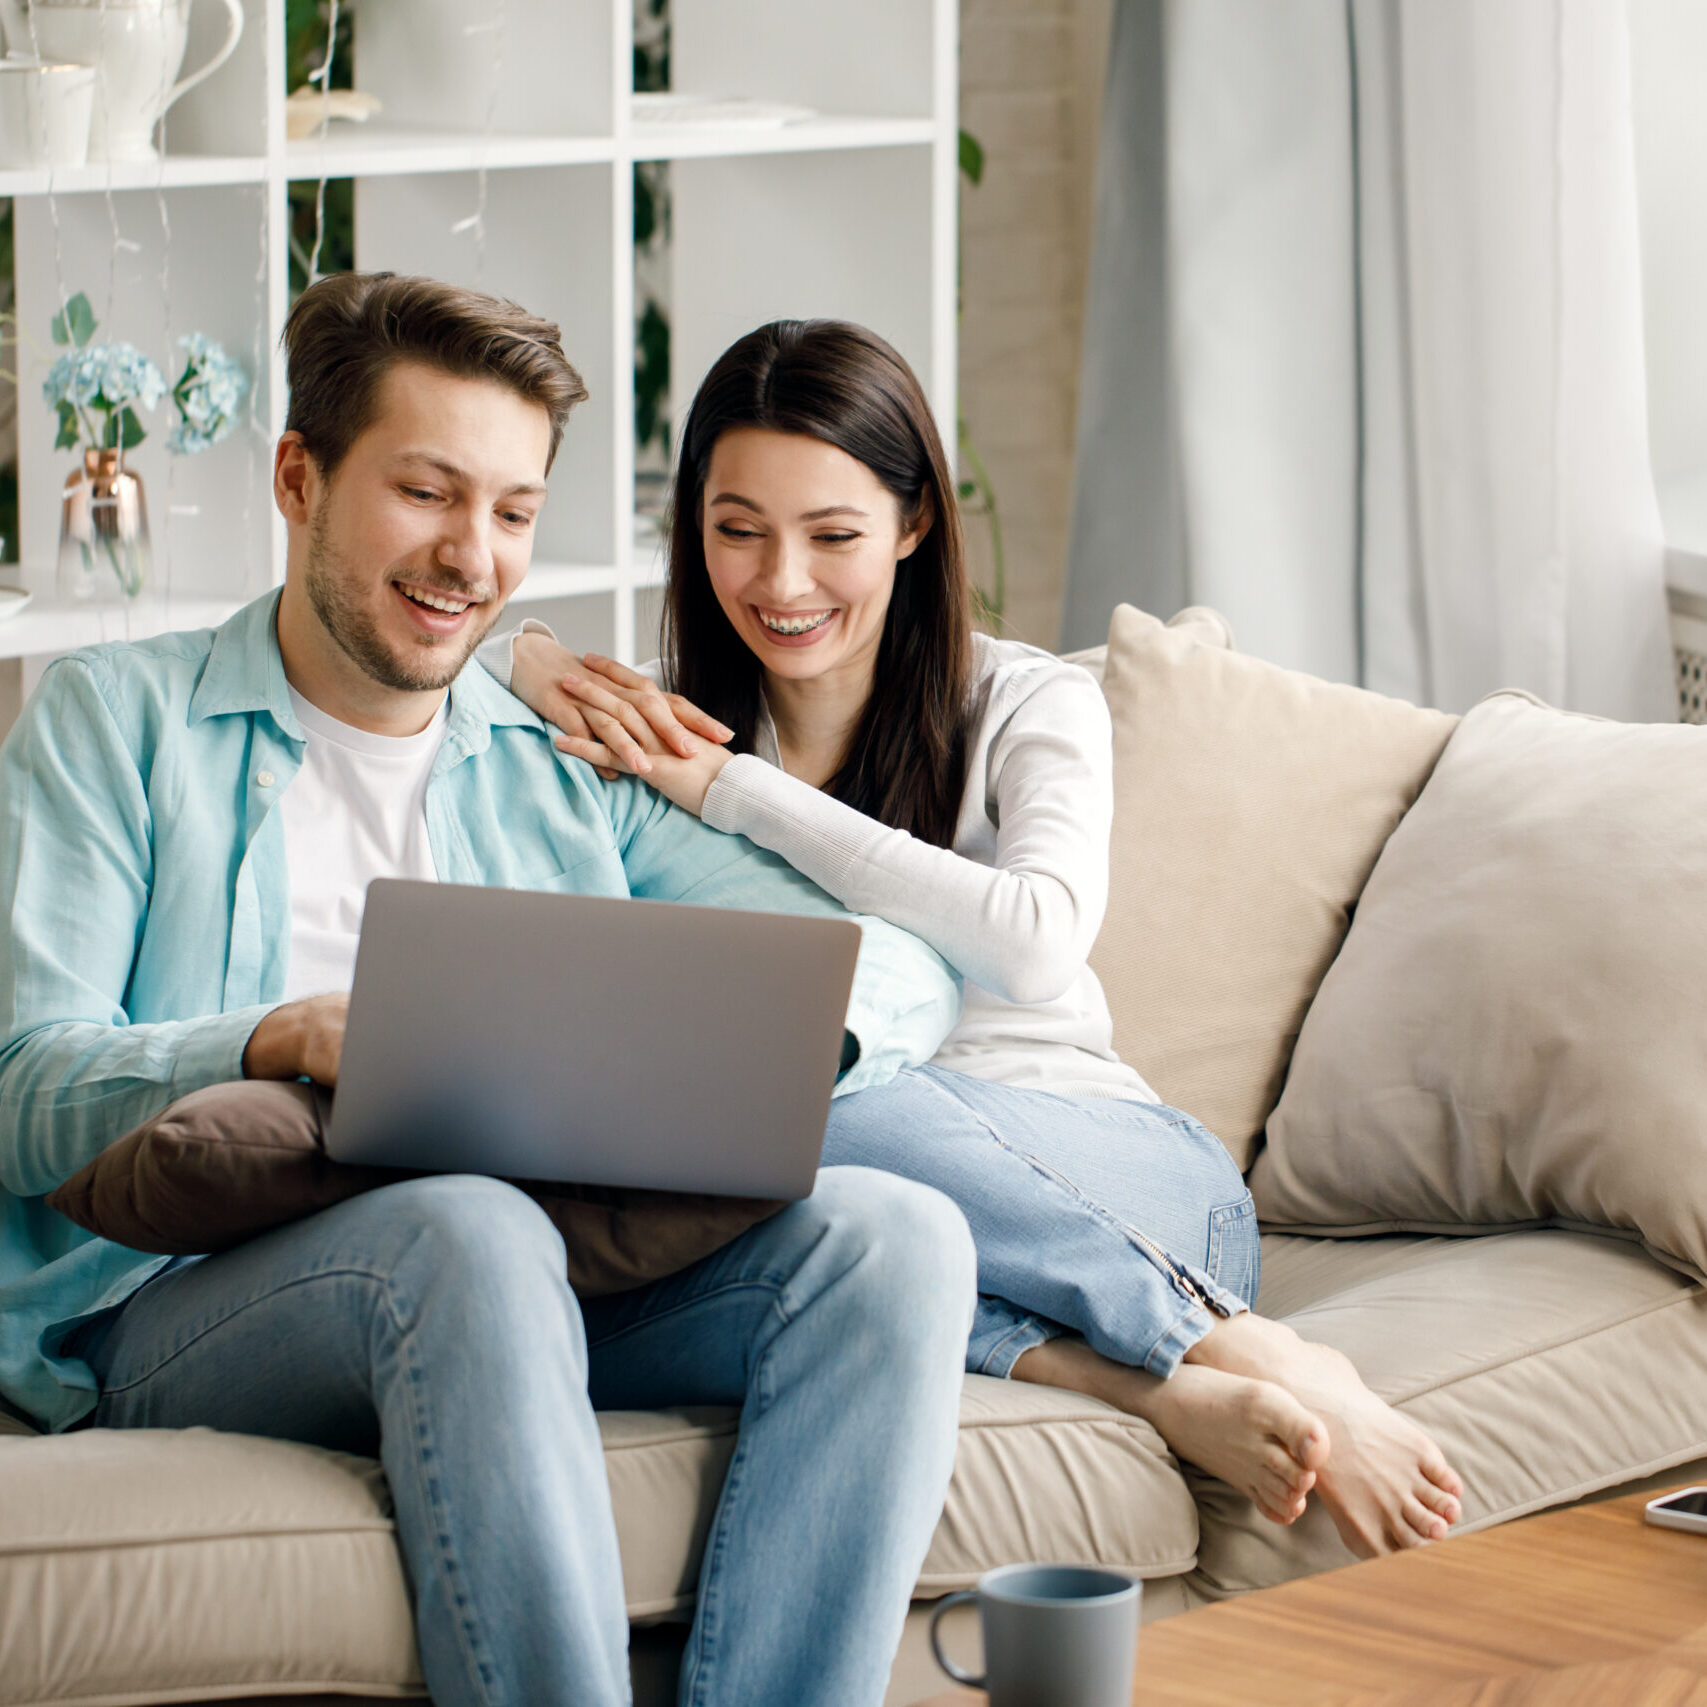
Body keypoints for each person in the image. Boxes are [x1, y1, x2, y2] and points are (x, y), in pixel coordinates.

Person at [0, 276, 983, 1707]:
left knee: (894, 1237)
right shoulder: (112, 722)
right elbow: (26, 1086)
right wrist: (280, 1036)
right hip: (172, 1300)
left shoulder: (551, 748)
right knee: (464, 1226)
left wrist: (778, 1038)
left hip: (539, 1268)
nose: (471, 555)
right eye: (427, 492)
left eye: (514, 511)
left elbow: (893, 956)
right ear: (299, 477)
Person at [485, 317, 1466, 1560]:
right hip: (874, 1212)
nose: (782, 584)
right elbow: (457, 665)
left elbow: (1036, 942)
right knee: (790, 1178)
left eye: (832, 535)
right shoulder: (657, 726)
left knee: (794, 1094)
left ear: (914, 525)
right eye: (738, 531)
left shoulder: (1021, 702)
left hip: (1127, 1199)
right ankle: (1153, 1390)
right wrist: (520, 659)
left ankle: (1243, 1347)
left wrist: (731, 792)